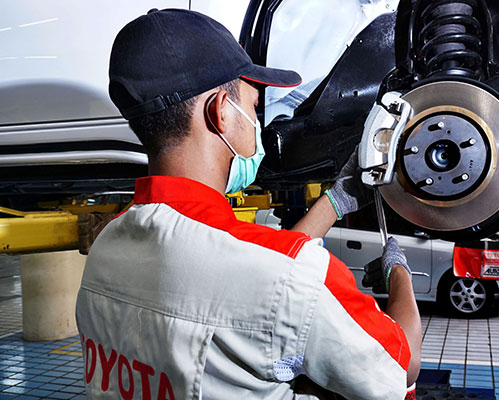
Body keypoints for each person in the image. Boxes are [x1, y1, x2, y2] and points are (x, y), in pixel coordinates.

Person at [75, 8, 421, 400]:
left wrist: (337, 201)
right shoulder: (287, 275)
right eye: (254, 106)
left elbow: (260, 277)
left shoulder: (107, 248)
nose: (258, 121)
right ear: (221, 111)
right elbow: (401, 366)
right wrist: (399, 274)